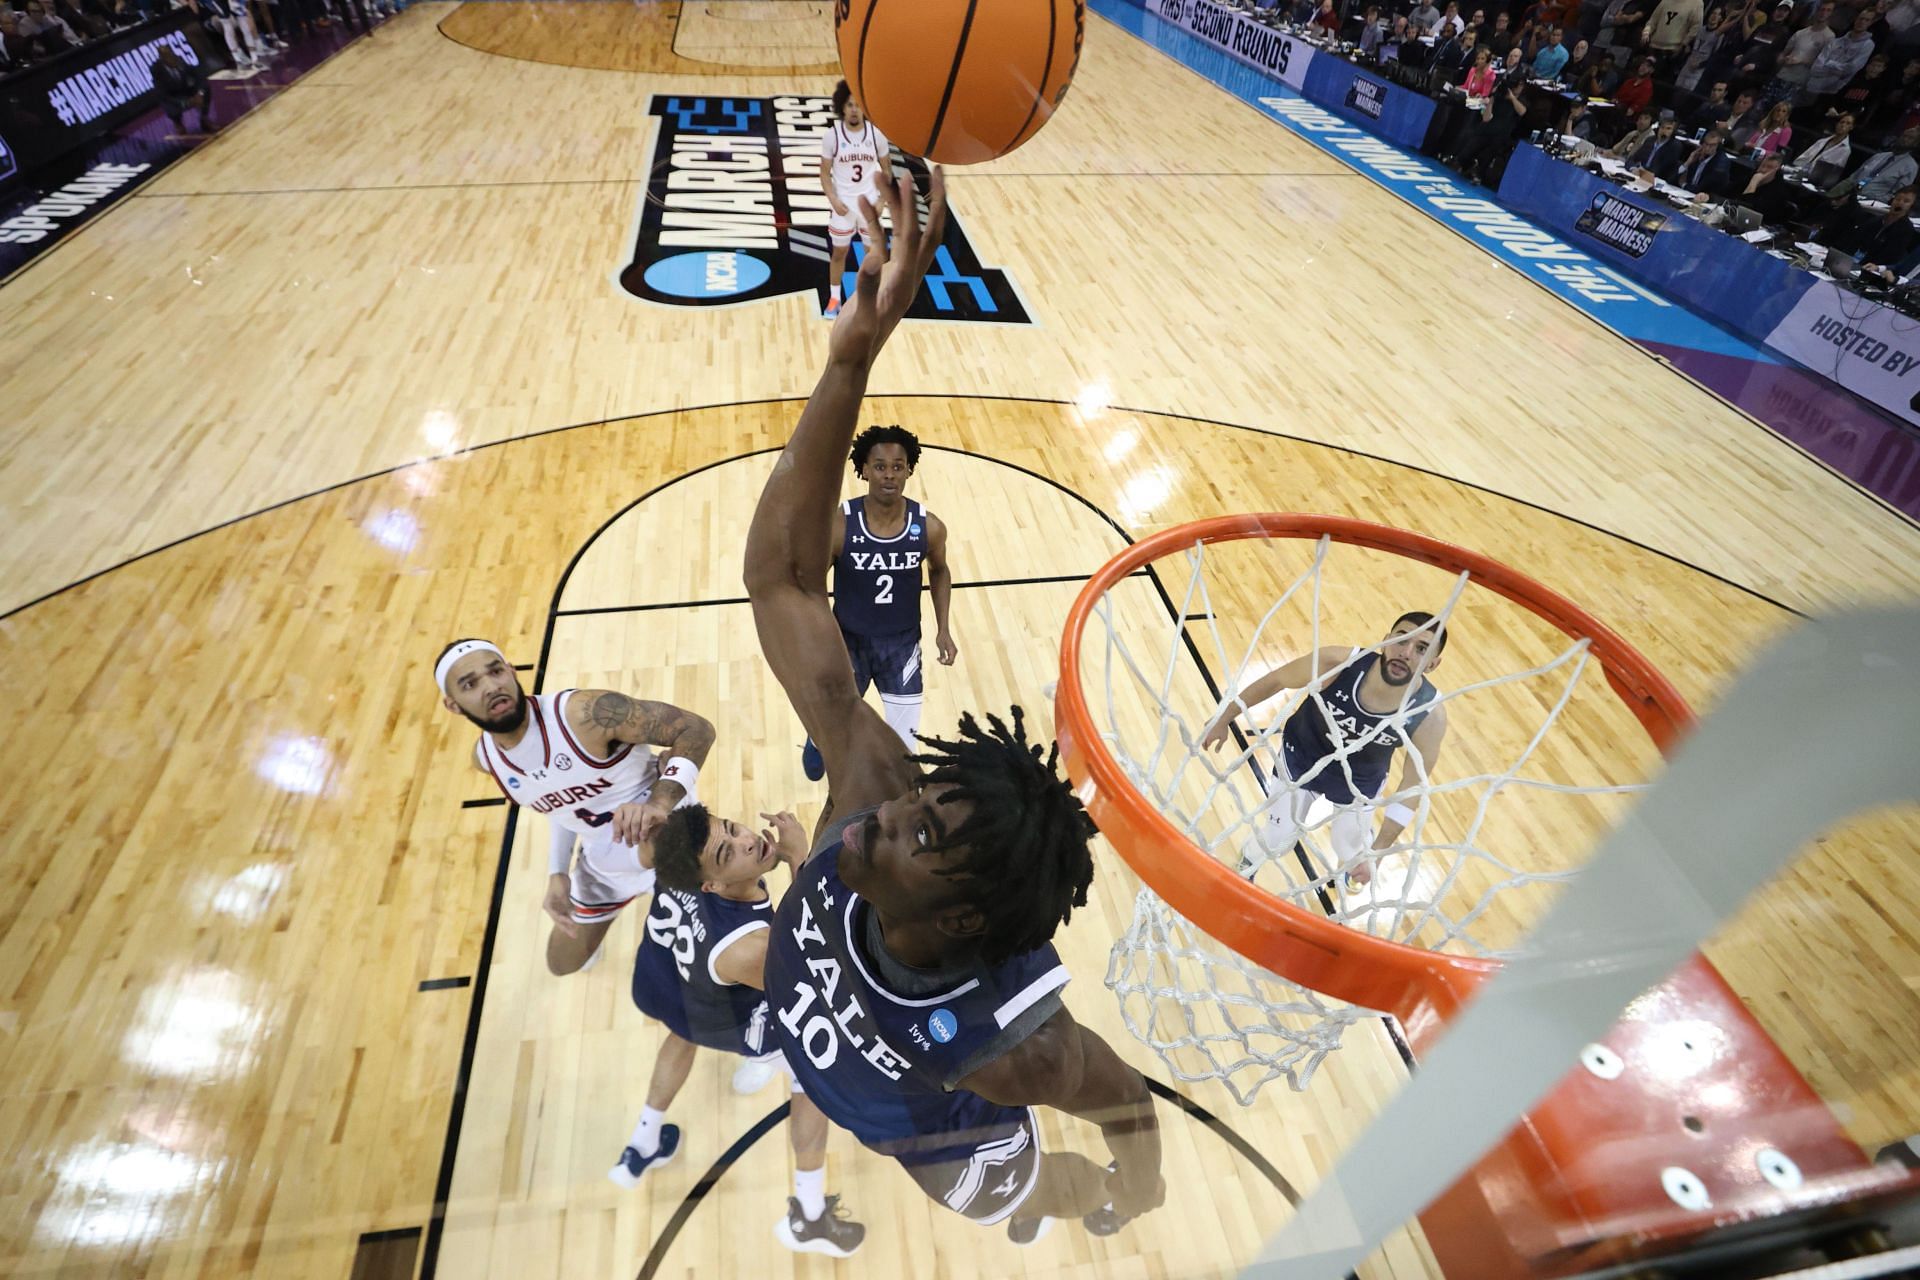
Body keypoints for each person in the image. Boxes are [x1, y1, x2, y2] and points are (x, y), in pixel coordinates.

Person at [743, 171, 1165, 1242]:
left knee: (1015, 1198)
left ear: (966, 920)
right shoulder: (869, 794)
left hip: (941, 1139)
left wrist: (1139, 1183)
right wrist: (849, 364)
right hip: (835, 1046)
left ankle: (1045, 1197)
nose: (888, 806)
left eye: (921, 827)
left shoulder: (1018, 1046)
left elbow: (1127, 1102)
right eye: (922, 799)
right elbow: (784, 582)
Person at [623, 808, 867, 1256]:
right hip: (739, 1015)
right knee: (813, 1082)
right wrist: (800, 857)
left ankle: (643, 1141)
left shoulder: (673, 849)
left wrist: (647, 808)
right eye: (726, 851)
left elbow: (643, 847)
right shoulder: (745, 946)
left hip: (674, 985)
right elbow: (820, 965)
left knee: (682, 1033)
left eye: (733, 830)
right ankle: (808, 1218)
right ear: (711, 884)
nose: (747, 842)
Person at [436, 639, 713, 974]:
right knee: (562, 963)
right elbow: (562, 807)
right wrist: (557, 872)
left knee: (718, 946)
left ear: (511, 671)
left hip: (670, 835)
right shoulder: (487, 760)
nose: (492, 686)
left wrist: (660, 801)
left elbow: (696, 729)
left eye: (496, 672)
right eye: (470, 684)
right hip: (605, 859)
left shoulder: (584, 714)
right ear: (452, 705)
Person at [1201, 614, 1451, 890]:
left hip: (1359, 782)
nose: (1406, 653)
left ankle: (1356, 857)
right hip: (1301, 759)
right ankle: (1248, 863)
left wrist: (1377, 852)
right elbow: (1276, 680)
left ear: (1433, 664)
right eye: (1401, 639)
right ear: (1386, 640)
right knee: (1278, 837)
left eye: (1421, 649)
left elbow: (1413, 786)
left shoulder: (1429, 715)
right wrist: (1224, 718)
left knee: (1349, 848)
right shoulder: (1338, 663)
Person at [795, 422, 957, 783]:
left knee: (904, 752)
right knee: (821, 758)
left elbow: (941, 571)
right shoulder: (840, 525)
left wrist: (943, 629)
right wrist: (817, 635)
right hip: (848, 644)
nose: (889, 475)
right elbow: (812, 586)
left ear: (909, 470)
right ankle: (817, 736)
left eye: (897, 467)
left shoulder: (928, 526)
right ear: (864, 470)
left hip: (901, 646)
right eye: (880, 466)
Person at [817, 80, 894, 319]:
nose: (853, 109)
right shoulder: (832, 136)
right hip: (843, 205)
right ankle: (834, 299)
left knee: (873, 256)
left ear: (864, 108)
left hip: (869, 204)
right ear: (842, 107)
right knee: (839, 253)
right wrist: (832, 199)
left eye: (858, 105)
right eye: (849, 105)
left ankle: (870, 300)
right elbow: (824, 173)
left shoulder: (876, 135)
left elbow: (888, 170)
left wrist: (882, 200)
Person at [1816, 183, 1919, 269]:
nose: (1900, 203)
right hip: (1851, 263)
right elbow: (1854, 241)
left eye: (1906, 201)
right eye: (1898, 199)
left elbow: (1890, 258)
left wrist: (1873, 266)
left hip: (1870, 269)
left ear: (1911, 207)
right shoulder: (1876, 220)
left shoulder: (1905, 230)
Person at [1805, 6, 1878, 99]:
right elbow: (1816, 67)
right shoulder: (1835, 41)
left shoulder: (1868, 45)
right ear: (1856, 19)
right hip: (1811, 87)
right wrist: (1836, 70)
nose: (1862, 22)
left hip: (1832, 92)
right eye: (1861, 18)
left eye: (1867, 20)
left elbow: (1851, 68)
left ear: (1871, 23)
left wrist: (1829, 64)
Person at [1769, 0, 1837, 101]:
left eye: (1828, 10)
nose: (1824, 13)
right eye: (1822, 9)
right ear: (1817, 11)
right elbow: (1784, 53)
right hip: (1782, 75)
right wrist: (1783, 59)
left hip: (1799, 82)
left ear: (1831, 13)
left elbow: (1823, 64)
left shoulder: (1830, 37)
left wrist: (1801, 60)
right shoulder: (1801, 33)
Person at [152, 43, 214, 132]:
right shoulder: (156, 70)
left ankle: (204, 118)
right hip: (174, 96)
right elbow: (163, 95)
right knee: (167, 103)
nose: (170, 58)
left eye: (170, 54)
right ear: (162, 59)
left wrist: (199, 94)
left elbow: (198, 76)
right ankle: (178, 122)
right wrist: (185, 102)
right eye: (167, 56)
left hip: (186, 91)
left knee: (205, 88)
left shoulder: (180, 60)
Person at [1796, 111, 1857, 184]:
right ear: (1837, 124)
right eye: (1841, 122)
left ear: (1851, 127)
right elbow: (1803, 158)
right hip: (1800, 173)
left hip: (1816, 181)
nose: (1843, 125)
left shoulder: (1845, 150)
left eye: (1848, 123)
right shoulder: (1821, 141)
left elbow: (1833, 173)